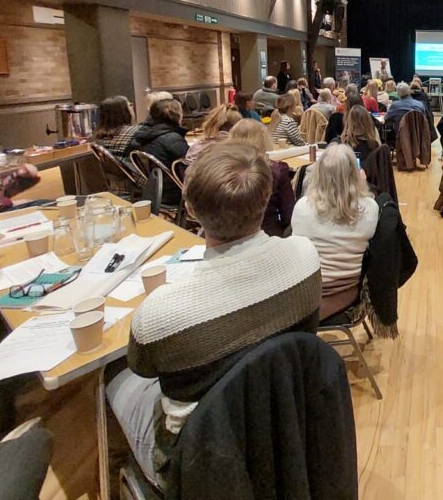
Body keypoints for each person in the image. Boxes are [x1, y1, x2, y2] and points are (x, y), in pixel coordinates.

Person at [106, 142, 321, 489]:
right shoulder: (307, 256)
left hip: (199, 463)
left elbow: (142, 367)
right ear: (266, 198)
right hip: (288, 423)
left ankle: (130, 476)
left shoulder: (159, 313)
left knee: (111, 374)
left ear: (189, 209)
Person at [290, 143, 379, 320]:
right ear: (356, 174)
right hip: (346, 293)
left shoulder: (302, 207)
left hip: (303, 295)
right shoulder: (371, 208)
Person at [227, 119, 295, 237]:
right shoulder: (277, 170)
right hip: (268, 235)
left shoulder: (221, 172)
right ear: (263, 139)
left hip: (228, 237)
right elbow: (289, 215)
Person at [128, 99, 189, 168]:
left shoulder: (143, 133)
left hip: (154, 176)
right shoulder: (172, 138)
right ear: (176, 115)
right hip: (171, 177)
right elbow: (188, 163)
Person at [92, 95, 142, 161]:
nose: (133, 108)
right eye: (130, 105)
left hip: (112, 170)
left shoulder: (96, 137)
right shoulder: (136, 132)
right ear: (124, 112)